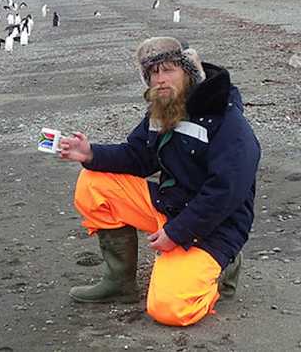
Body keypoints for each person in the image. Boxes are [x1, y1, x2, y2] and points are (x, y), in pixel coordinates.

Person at [59, 37, 261, 326]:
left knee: (168, 309)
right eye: (153, 73)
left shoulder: (226, 121)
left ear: (189, 72)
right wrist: (90, 153)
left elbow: (225, 193)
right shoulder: (165, 109)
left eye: (169, 70)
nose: (160, 80)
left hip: (215, 226)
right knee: (93, 184)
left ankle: (220, 272)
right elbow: (137, 156)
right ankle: (120, 283)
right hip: (172, 205)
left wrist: (177, 234)